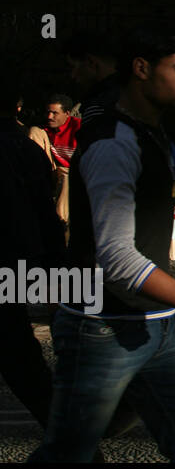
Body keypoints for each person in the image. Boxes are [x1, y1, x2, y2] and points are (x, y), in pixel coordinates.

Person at [29, 27, 175, 463]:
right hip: (100, 328)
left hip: (158, 326)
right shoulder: (112, 143)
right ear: (141, 69)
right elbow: (117, 258)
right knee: (70, 454)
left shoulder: (154, 133)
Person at [0, 80, 65, 430]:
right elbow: (46, 213)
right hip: (20, 262)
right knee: (22, 360)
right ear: (18, 108)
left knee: (19, 358)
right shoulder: (27, 149)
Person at [64, 28, 121, 126]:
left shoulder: (99, 107)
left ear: (91, 62)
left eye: (73, 67)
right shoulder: (133, 95)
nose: (72, 76)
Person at [44, 93, 81, 228]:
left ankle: (60, 221)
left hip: (71, 172)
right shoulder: (45, 130)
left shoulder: (78, 127)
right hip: (52, 169)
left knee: (66, 177)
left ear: (67, 113)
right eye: (48, 112)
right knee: (35, 131)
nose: (50, 117)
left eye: (55, 113)